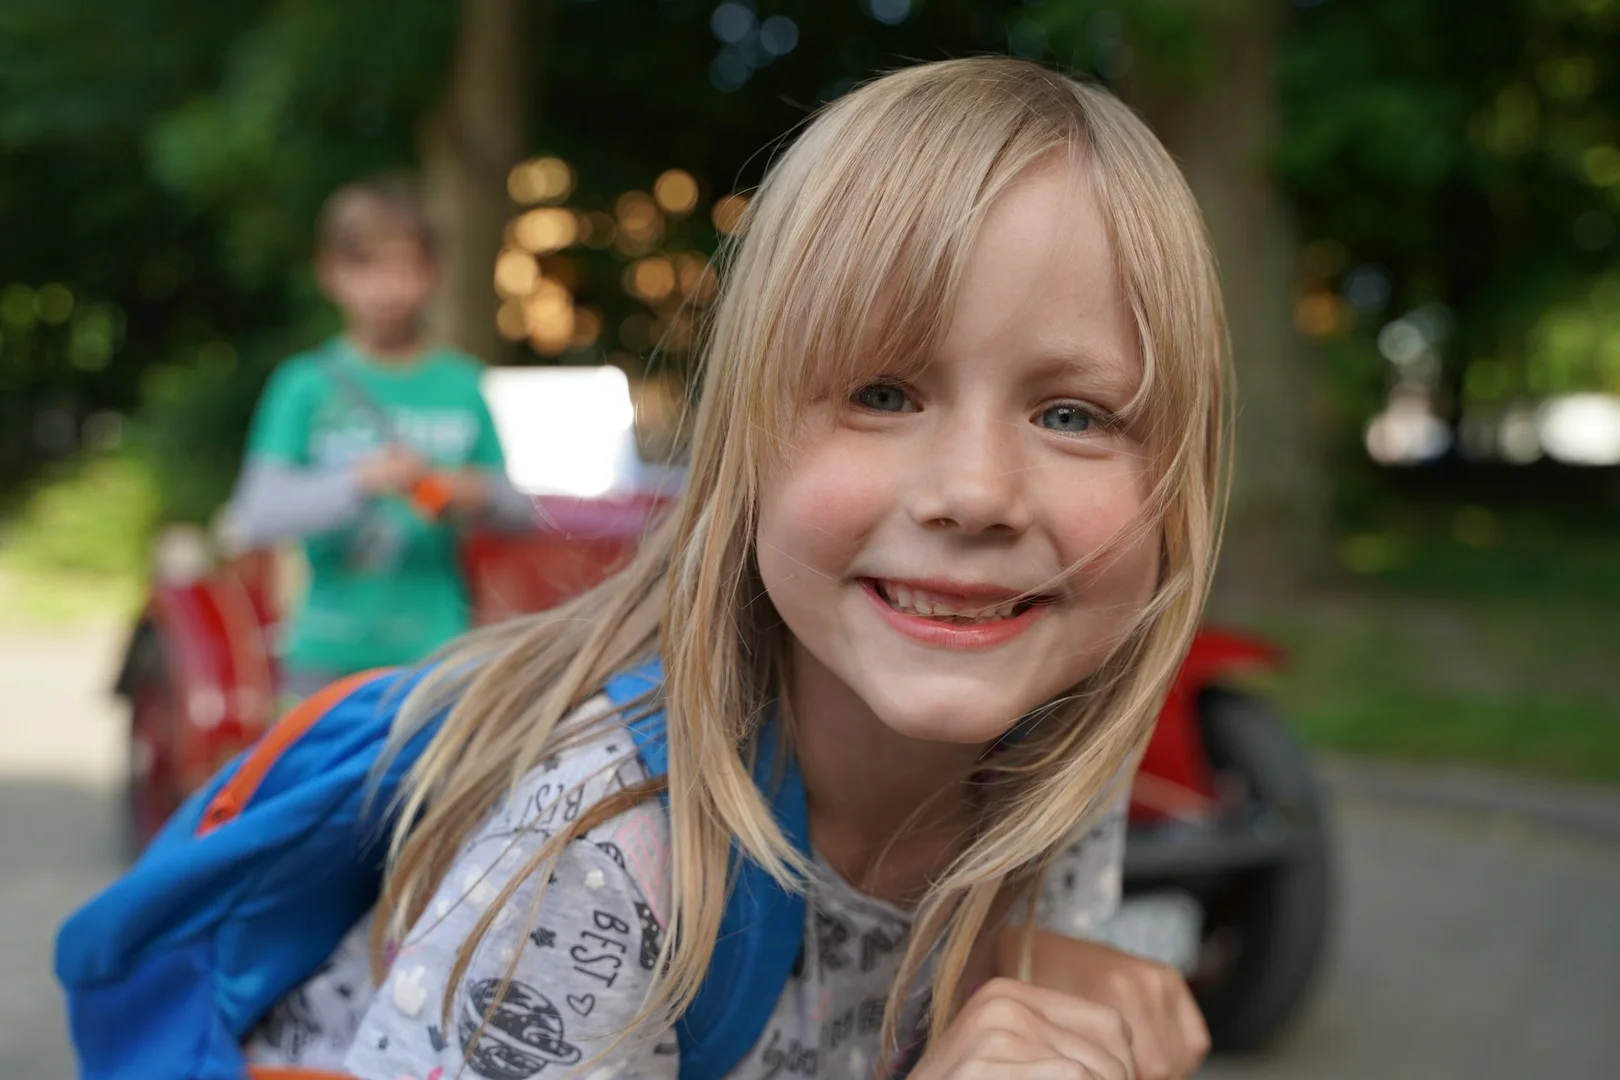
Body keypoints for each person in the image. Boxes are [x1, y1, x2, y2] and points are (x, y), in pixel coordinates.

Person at [245, 58, 1228, 1080]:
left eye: (1072, 415)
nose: (976, 492)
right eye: (883, 394)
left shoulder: (1062, 733)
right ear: (741, 449)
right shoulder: (600, 845)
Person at [221, 176, 535, 703]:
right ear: (332, 273)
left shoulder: (463, 384)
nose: (388, 288)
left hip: (440, 657)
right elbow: (256, 515)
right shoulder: (305, 385)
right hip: (324, 655)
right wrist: (360, 480)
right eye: (366, 266)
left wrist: (470, 492)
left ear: (433, 273)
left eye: (406, 267)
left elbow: (520, 512)